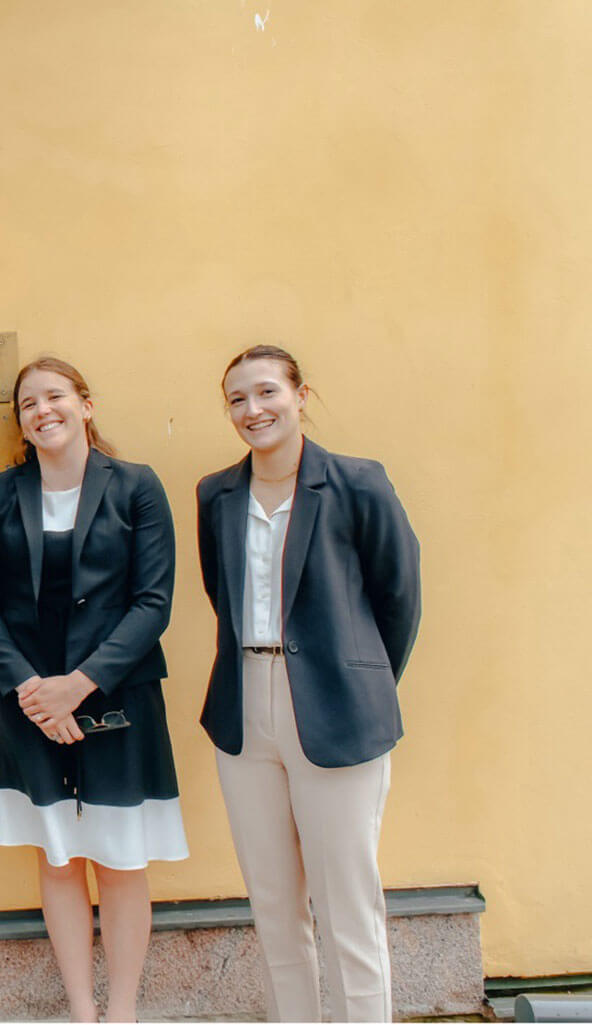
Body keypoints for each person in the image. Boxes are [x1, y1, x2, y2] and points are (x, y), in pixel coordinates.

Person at [197, 345, 421, 1022]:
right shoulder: (216, 493)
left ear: (301, 395)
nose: (252, 410)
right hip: (244, 708)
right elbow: (220, 592)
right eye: (237, 398)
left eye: (266, 392)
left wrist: (360, 681)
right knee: (272, 902)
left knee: (346, 901)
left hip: (337, 707)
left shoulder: (358, 482)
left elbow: (398, 597)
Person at [0, 356, 188, 1023]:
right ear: (21, 422)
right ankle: (82, 1010)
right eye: (28, 403)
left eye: (54, 396)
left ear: (85, 405)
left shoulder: (137, 487)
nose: (42, 410)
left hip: (119, 701)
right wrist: (36, 691)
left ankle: (121, 1011)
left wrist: (79, 687)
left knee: (119, 860)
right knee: (58, 858)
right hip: (25, 706)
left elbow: (153, 603)